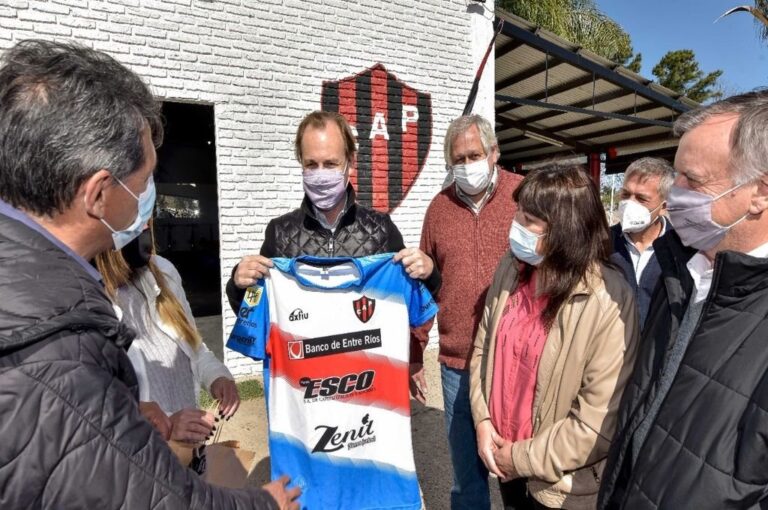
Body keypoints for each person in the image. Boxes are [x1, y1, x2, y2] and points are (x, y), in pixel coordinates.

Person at [0, 39, 298, 509]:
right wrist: (265, 504)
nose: (150, 201)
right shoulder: (58, 344)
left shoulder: (45, 295)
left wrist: (129, 411)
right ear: (99, 193)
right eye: (145, 181)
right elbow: (145, 495)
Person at [598, 91, 768, 509]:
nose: (675, 194)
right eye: (677, 176)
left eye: (693, 179)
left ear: (759, 193)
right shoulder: (681, 274)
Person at [469, 164, 640, 509]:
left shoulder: (608, 299)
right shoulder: (511, 268)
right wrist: (483, 420)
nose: (516, 224)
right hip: (503, 459)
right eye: (518, 211)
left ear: (566, 229)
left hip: (559, 487)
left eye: (529, 219)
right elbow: (482, 348)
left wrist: (519, 459)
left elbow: (596, 422)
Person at [410, 114, 523, 509]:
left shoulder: (523, 197)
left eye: (474, 155)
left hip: (515, 361)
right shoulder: (439, 209)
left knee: (518, 468)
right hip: (457, 363)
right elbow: (424, 284)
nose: (467, 165)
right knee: (466, 474)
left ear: (494, 152)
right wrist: (415, 351)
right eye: (458, 159)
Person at [224, 110, 440, 313]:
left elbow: (415, 304)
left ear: (350, 163)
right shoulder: (279, 233)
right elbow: (255, 311)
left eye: (330, 164)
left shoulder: (381, 229)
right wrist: (240, 286)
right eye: (311, 164)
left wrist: (429, 274)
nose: (320, 175)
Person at [96, 224, 240, 444]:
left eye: (147, 215)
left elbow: (194, 347)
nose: (145, 225)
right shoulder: (89, 295)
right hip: (143, 452)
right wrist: (167, 423)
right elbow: (94, 404)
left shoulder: (163, 271)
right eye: (135, 214)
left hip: (188, 447)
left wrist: (217, 377)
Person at [610, 157, 675, 326]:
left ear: (664, 207)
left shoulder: (681, 250)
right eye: (626, 195)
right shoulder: (602, 243)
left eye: (641, 198)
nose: (629, 204)